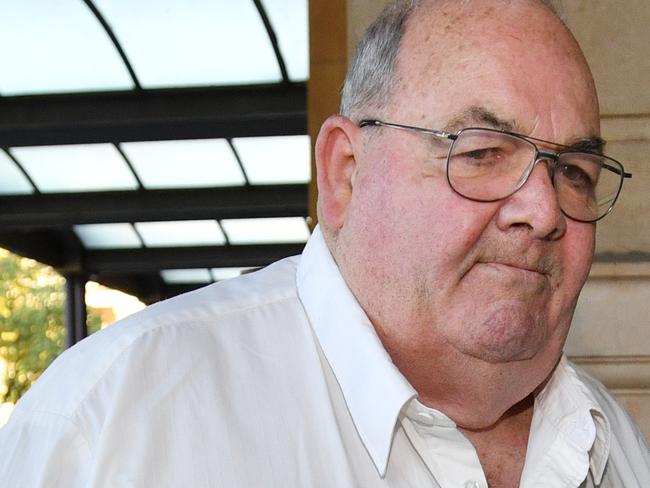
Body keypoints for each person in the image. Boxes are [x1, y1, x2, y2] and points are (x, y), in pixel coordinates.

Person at [1, 0, 648, 486]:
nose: (542, 210)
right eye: (481, 153)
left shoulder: (609, 438)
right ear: (345, 173)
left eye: (575, 173)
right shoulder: (116, 423)